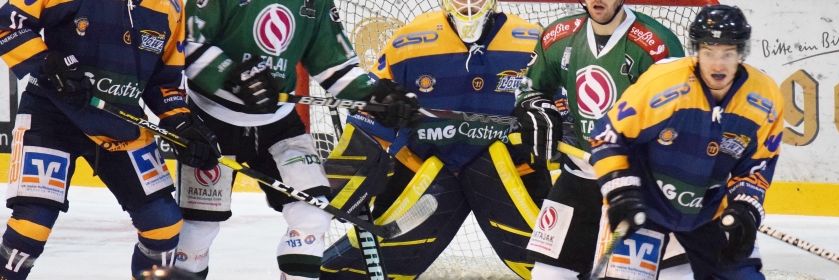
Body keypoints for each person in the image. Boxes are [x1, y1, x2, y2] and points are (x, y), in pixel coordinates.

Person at [174, 0, 419, 279]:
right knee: (196, 231)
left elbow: (335, 66)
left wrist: (376, 97)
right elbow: (187, 44)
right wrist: (230, 74)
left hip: (279, 126)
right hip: (210, 122)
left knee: (313, 216)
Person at [321, 0, 553, 279]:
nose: (468, 4)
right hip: (423, 167)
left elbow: (564, 113)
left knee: (557, 268)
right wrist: (336, 187)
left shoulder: (533, 40)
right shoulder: (409, 41)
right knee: (345, 274)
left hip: (512, 171)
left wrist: (550, 120)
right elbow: (370, 116)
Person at [0, 0, 220, 278]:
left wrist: (181, 121)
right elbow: (8, 24)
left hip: (119, 120)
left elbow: (164, 80)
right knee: (31, 227)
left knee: (163, 224)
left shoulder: (170, 7)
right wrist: (48, 64)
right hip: (52, 114)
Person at [588, 4, 782, 279]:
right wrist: (621, 191)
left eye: (727, 53)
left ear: (741, 53)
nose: (718, 64)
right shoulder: (664, 84)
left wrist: (745, 207)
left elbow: (757, 164)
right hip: (644, 203)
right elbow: (607, 136)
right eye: (709, 52)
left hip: (710, 209)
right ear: (697, 52)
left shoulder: (765, 98)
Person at [513, 0, 694, 279]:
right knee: (547, 274)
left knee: (675, 273)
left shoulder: (656, 45)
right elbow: (530, 88)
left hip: (640, 180)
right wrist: (534, 106)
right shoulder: (557, 36)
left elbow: (681, 117)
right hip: (581, 174)